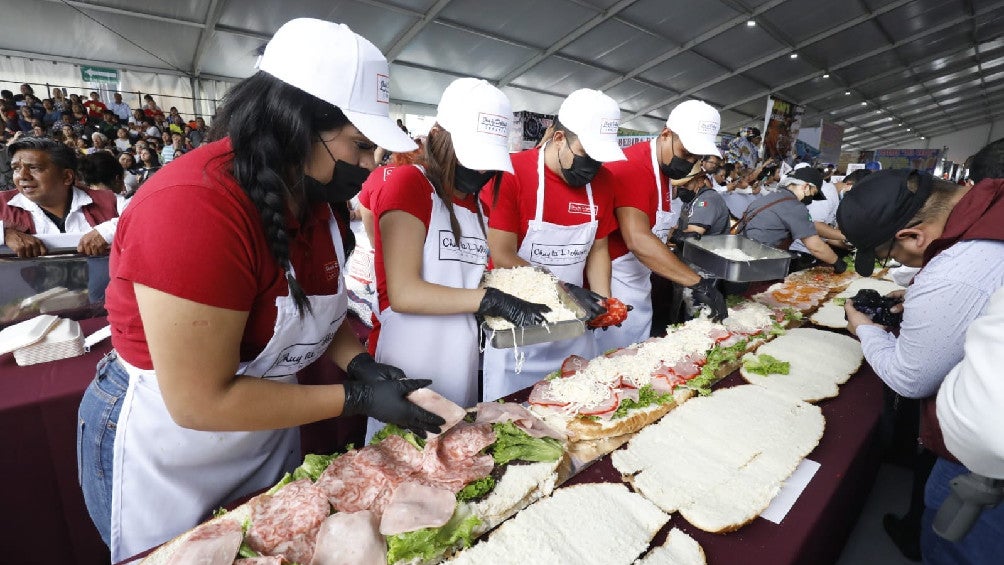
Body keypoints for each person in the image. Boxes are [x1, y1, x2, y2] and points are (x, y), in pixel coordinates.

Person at [76, 18, 443, 562]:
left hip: (263, 426)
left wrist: (358, 363)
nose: (369, 167)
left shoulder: (314, 199)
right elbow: (200, 400)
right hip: (173, 448)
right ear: (293, 123)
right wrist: (356, 399)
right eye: (361, 145)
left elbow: (319, 310)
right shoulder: (195, 208)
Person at [838, 156, 1004, 564]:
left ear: (913, 235)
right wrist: (919, 298)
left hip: (982, 468)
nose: (896, 265)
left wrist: (863, 328)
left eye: (887, 254)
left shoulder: (952, 272)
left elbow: (911, 379)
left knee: (955, 549)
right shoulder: (990, 216)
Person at [365, 78, 549, 437]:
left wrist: (540, 292)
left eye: (488, 162)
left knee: (453, 459)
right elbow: (404, 293)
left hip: (461, 353)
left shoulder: (478, 206)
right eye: (473, 157)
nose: (481, 172)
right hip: (410, 357)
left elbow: (467, 279)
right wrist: (489, 299)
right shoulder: (408, 184)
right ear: (438, 135)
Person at [481, 88, 624, 401]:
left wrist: (604, 301)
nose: (594, 166)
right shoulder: (512, 173)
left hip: (574, 332)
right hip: (518, 330)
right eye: (588, 154)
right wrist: (567, 293)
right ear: (559, 138)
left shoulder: (604, 182)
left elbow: (598, 249)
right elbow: (502, 254)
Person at [592, 99, 728, 353]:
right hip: (616, 285)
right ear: (666, 134)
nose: (689, 162)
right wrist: (697, 283)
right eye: (686, 153)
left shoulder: (663, 172)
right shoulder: (633, 166)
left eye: (696, 158)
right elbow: (638, 238)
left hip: (639, 282)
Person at [0, 137, 120, 257]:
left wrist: (107, 231)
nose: (22, 176)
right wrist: (5, 233)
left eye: (34, 167)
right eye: (16, 168)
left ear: (67, 177)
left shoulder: (109, 201)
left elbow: (137, 217)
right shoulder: (2, 203)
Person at [737, 166, 845, 273]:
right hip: (756, 264)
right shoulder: (795, 206)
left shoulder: (772, 196)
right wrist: (837, 262)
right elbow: (815, 246)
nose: (811, 200)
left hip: (738, 253)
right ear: (806, 187)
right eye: (813, 194)